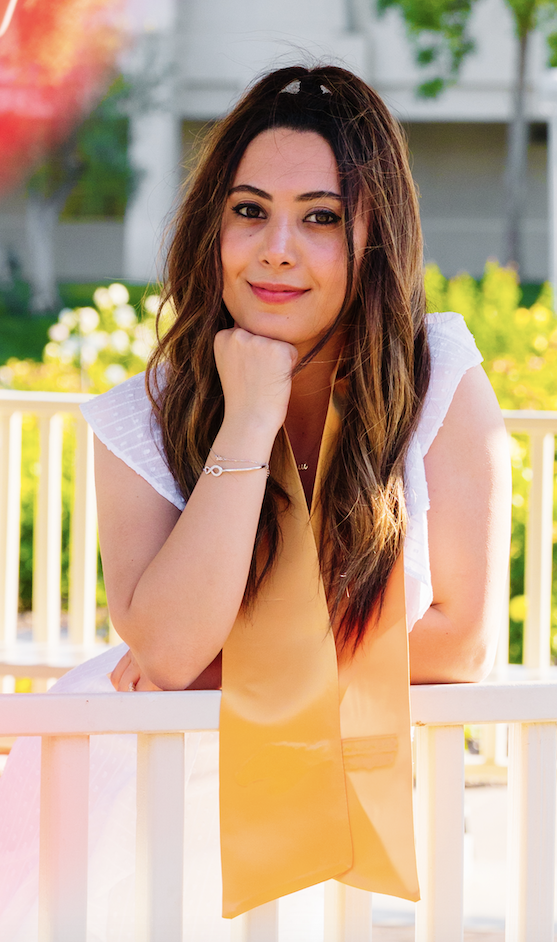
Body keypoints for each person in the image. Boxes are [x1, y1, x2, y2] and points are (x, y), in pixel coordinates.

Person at [0, 65, 511, 939]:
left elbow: (462, 643)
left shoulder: (440, 377)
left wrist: (222, 660)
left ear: (373, 235)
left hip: (350, 805)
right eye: (249, 211)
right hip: (147, 794)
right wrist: (247, 423)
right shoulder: (144, 413)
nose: (277, 247)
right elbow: (165, 651)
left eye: (320, 217)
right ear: (214, 228)